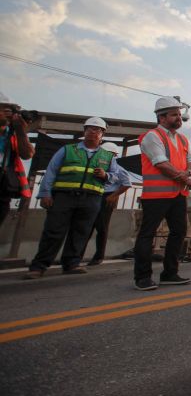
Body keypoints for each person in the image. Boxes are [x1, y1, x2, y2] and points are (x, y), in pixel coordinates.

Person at [24, 117, 121, 278]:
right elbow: (51, 172)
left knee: (80, 232)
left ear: (102, 134)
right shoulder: (68, 150)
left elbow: (116, 177)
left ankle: (71, 263)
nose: (92, 132)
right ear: (84, 131)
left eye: (97, 130)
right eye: (89, 128)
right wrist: (45, 193)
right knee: (53, 231)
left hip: (91, 198)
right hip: (64, 196)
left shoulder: (107, 156)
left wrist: (106, 175)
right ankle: (39, 266)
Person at [133, 97, 191, 291]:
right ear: (161, 118)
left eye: (179, 114)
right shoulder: (152, 137)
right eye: (174, 115)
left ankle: (170, 273)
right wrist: (186, 178)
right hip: (156, 196)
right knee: (147, 234)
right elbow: (160, 163)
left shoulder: (182, 139)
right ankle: (142, 277)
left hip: (178, 195)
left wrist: (189, 173)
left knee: (178, 232)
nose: (179, 118)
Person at [78, 142, 132, 265]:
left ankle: (98, 256)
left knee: (101, 227)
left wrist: (113, 196)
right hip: (93, 196)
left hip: (107, 198)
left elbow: (127, 183)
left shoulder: (118, 168)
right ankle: (77, 256)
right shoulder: (96, 165)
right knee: (86, 227)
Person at [0, 92, 34, 229]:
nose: (9, 114)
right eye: (5, 110)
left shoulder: (13, 134)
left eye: (11, 111)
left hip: (2, 188)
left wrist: (20, 130)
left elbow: (27, 154)